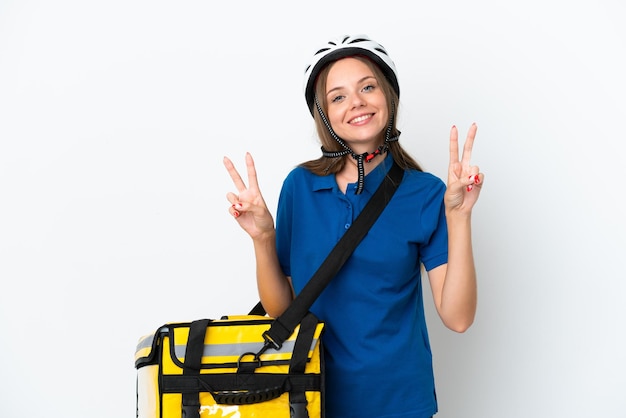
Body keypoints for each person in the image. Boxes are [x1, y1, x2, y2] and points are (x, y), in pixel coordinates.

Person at [223, 34, 483, 418]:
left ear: (388, 97)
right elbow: (283, 311)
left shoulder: (426, 193)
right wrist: (263, 238)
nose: (356, 102)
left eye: (367, 87)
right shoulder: (300, 186)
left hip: (399, 402)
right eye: (338, 96)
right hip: (310, 397)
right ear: (324, 114)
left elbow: (458, 318)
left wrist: (459, 217)